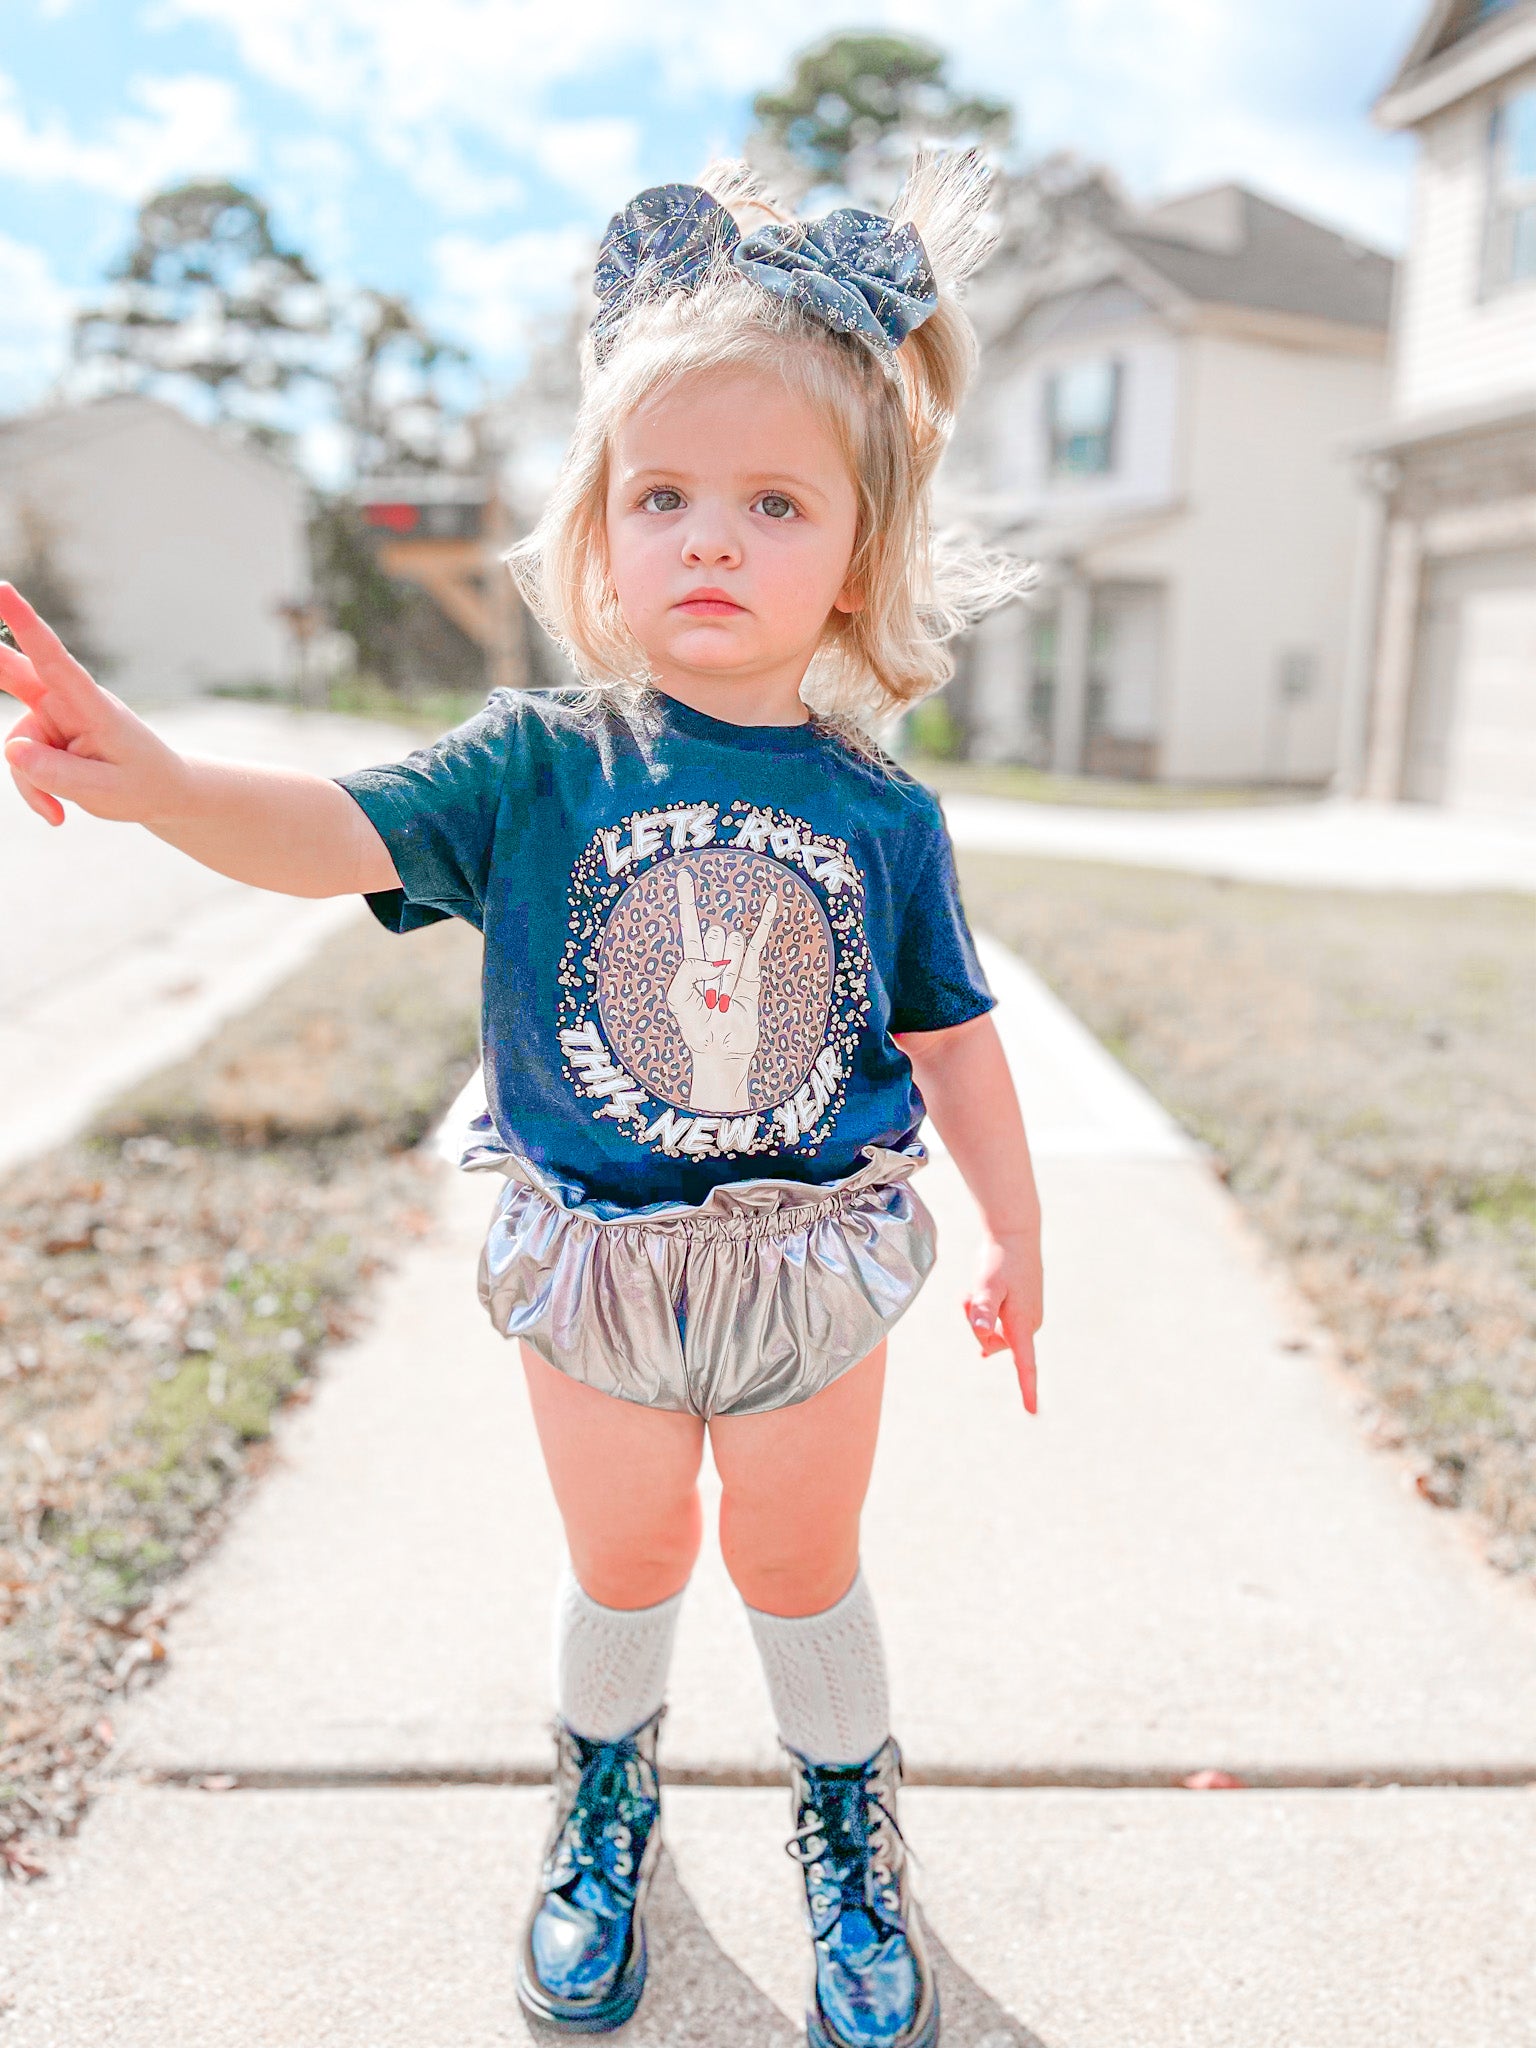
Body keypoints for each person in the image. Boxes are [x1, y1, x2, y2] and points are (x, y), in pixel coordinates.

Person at [0, 151, 1043, 2048]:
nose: (709, 539)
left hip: (812, 1264)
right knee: (629, 1558)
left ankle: (847, 1824)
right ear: (598, 529)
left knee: (797, 1563)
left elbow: (958, 1035)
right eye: (664, 497)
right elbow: (328, 833)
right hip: (595, 1266)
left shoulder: (882, 810)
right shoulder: (536, 768)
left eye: (771, 501)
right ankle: (604, 1807)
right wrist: (157, 782)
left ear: (859, 552)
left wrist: (1022, 1234)